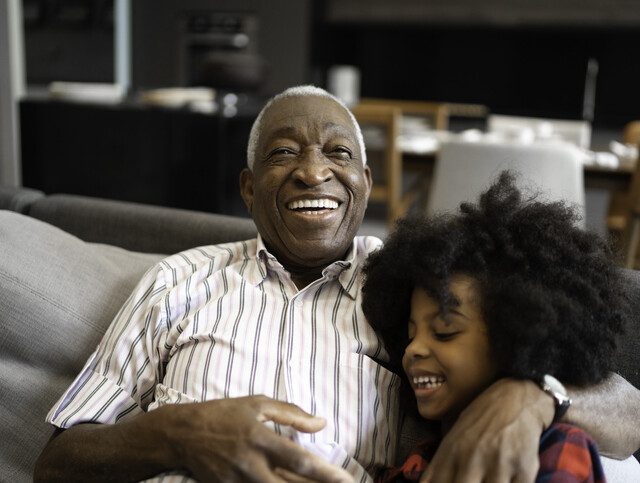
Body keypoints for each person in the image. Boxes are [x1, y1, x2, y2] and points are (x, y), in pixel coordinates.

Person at [34, 86, 640, 483]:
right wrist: (178, 435)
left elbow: (627, 409)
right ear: (248, 188)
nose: (312, 171)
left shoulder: (409, 285)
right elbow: (56, 463)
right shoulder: (179, 280)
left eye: (337, 152)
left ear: (365, 181)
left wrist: (531, 396)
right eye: (283, 154)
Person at [362, 172, 628, 482]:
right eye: (409, 335)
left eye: (444, 332)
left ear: (516, 336)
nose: (413, 349)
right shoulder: (418, 460)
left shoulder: (557, 447)